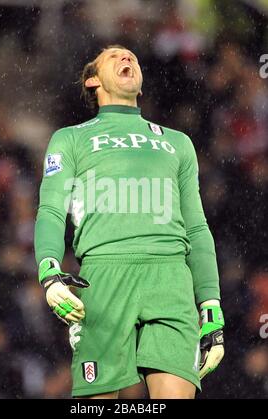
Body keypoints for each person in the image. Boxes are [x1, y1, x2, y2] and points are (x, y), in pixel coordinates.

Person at [34, 45, 225, 399]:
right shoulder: (70, 139)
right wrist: (49, 272)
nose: (128, 59)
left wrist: (210, 303)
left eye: (133, 57)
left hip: (171, 279)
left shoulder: (179, 143)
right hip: (103, 277)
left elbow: (196, 227)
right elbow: (51, 210)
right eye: (115, 57)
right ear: (93, 81)